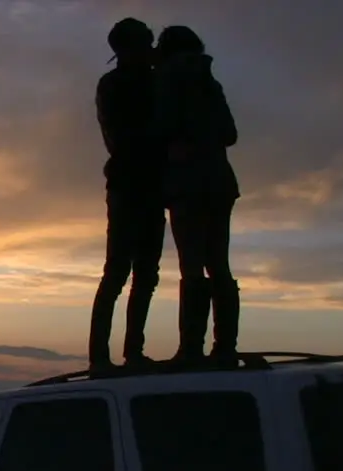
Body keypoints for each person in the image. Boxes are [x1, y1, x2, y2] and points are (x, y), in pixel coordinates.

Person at [155, 25, 242, 365]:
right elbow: (230, 134)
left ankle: (191, 349)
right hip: (219, 182)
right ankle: (225, 348)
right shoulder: (210, 82)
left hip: (187, 184)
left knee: (191, 267)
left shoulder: (166, 80)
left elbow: (159, 128)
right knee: (219, 265)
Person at [88, 17, 166, 371]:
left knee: (146, 274)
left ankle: (132, 352)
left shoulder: (151, 81)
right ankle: (101, 358)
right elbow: (125, 135)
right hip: (128, 185)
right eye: (143, 45)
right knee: (118, 272)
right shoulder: (115, 85)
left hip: (150, 186)